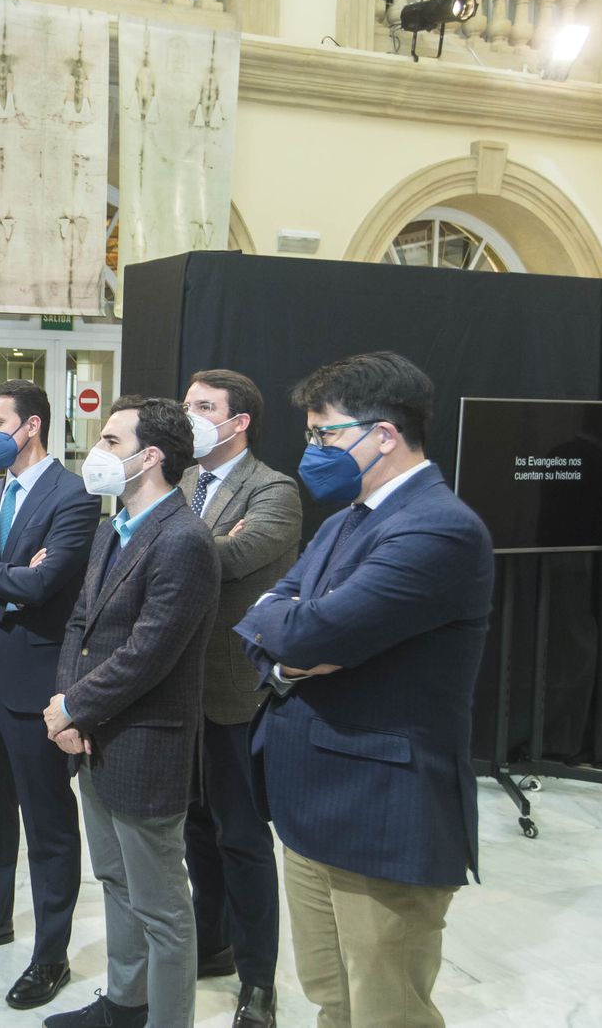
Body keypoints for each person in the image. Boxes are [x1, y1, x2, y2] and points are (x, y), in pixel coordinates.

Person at [234, 352, 494, 1028]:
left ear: (384, 434)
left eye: (326, 434)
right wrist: (292, 650)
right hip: (312, 801)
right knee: (331, 995)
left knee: (386, 1010)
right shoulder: (352, 516)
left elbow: (308, 628)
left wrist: (290, 641)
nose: (313, 449)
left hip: (379, 813)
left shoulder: (439, 526)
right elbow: (276, 612)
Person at [43, 396, 221, 1028]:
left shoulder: (184, 539)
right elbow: (80, 627)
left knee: (164, 911)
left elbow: (150, 653)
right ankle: (124, 1005)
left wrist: (72, 705)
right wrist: (69, 713)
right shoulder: (110, 527)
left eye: (111, 442)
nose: (99, 453)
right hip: (93, 738)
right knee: (115, 885)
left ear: (151, 456)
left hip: (146, 745)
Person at [0, 379, 100, 1012]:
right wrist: (0, 581)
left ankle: (51, 952)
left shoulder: (75, 495)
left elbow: (48, 583)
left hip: (37, 683)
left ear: (31, 426)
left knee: (48, 821)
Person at [179, 370, 302, 1028]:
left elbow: (223, 560)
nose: (188, 414)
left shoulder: (275, 490)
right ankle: (212, 941)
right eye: (186, 403)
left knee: (244, 839)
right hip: (179, 690)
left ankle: (258, 982)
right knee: (197, 829)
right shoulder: (181, 483)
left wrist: (180, 544)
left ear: (239, 420)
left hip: (235, 693)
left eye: (203, 406)